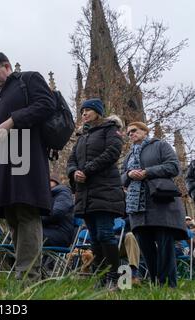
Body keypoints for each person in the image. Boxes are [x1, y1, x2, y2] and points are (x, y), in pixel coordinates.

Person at [0, 52, 57, 283]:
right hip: (4, 163)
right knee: (12, 216)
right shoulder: (3, 95)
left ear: (7, 66)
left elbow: (46, 105)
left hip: (27, 158)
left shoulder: (29, 79)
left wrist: (11, 120)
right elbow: (2, 131)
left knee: (26, 212)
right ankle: (29, 273)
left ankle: (29, 277)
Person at [67, 98, 125, 290]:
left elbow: (113, 152)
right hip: (85, 194)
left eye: (88, 110)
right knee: (94, 237)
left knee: (105, 233)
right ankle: (100, 279)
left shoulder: (110, 129)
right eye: (82, 111)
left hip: (105, 190)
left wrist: (88, 170)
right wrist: (74, 172)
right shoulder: (82, 137)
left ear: (98, 112)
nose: (84, 113)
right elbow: (72, 159)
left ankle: (113, 278)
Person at [121, 121, 187, 288]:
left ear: (144, 131)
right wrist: (129, 174)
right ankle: (155, 283)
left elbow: (173, 167)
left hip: (160, 204)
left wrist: (147, 172)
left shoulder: (160, 145)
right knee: (145, 247)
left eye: (134, 131)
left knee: (165, 245)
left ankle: (168, 285)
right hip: (137, 208)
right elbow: (121, 178)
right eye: (128, 133)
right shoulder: (129, 156)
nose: (131, 134)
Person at [42, 175, 75, 248]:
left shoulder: (63, 192)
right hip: (48, 231)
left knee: (29, 236)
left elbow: (57, 213)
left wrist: (37, 219)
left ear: (55, 182)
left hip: (60, 233)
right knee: (17, 234)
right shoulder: (45, 196)